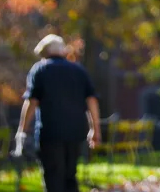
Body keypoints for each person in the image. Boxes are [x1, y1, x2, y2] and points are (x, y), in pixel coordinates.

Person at [16, 35, 101, 192]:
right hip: (76, 132)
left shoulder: (40, 70)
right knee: (70, 175)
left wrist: (22, 130)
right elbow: (92, 101)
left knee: (53, 175)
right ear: (62, 50)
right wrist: (95, 129)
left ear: (44, 52)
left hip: (50, 133)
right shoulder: (79, 70)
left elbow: (32, 102)